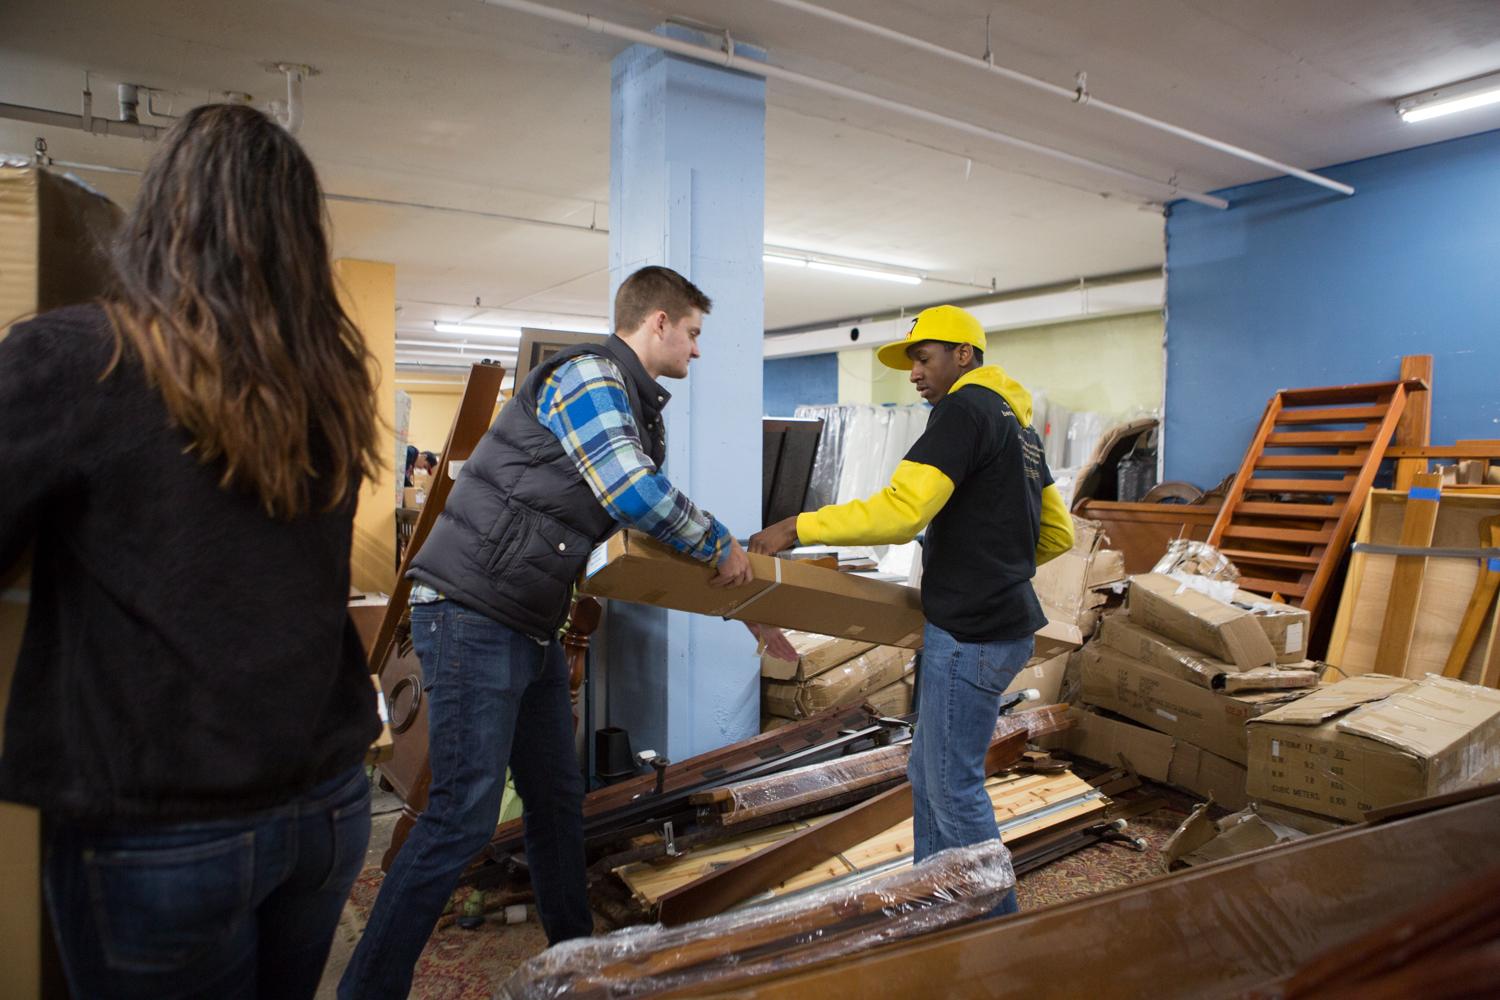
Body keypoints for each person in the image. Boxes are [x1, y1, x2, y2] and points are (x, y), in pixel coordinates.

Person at [0, 104, 383, 997]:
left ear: (165, 212)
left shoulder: (78, 356)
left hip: (165, 820)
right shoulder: (327, 386)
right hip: (326, 803)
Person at [340, 265, 788, 998]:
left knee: (555, 802)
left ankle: (576, 966)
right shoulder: (589, 378)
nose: (699, 352)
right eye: (695, 334)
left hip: (529, 621)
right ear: (659, 323)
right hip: (471, 611)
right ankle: (368, 988)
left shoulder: (640, 409)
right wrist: (719, 543)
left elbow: (640, 531)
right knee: (462, 815)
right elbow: (633, 493)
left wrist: (747, 603)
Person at [750, 304, 1074, 916]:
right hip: (1003, 625)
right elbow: (1056, 534)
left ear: (963, 355)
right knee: (930, 778)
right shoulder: (1018, 426)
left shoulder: (963, 411)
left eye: (923, 359)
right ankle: (935, 906)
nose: (915, 374)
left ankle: (998, 929)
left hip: (971, 631)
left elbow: (901, 511)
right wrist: (983, 544)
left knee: (952, 786)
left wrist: (798, 526)